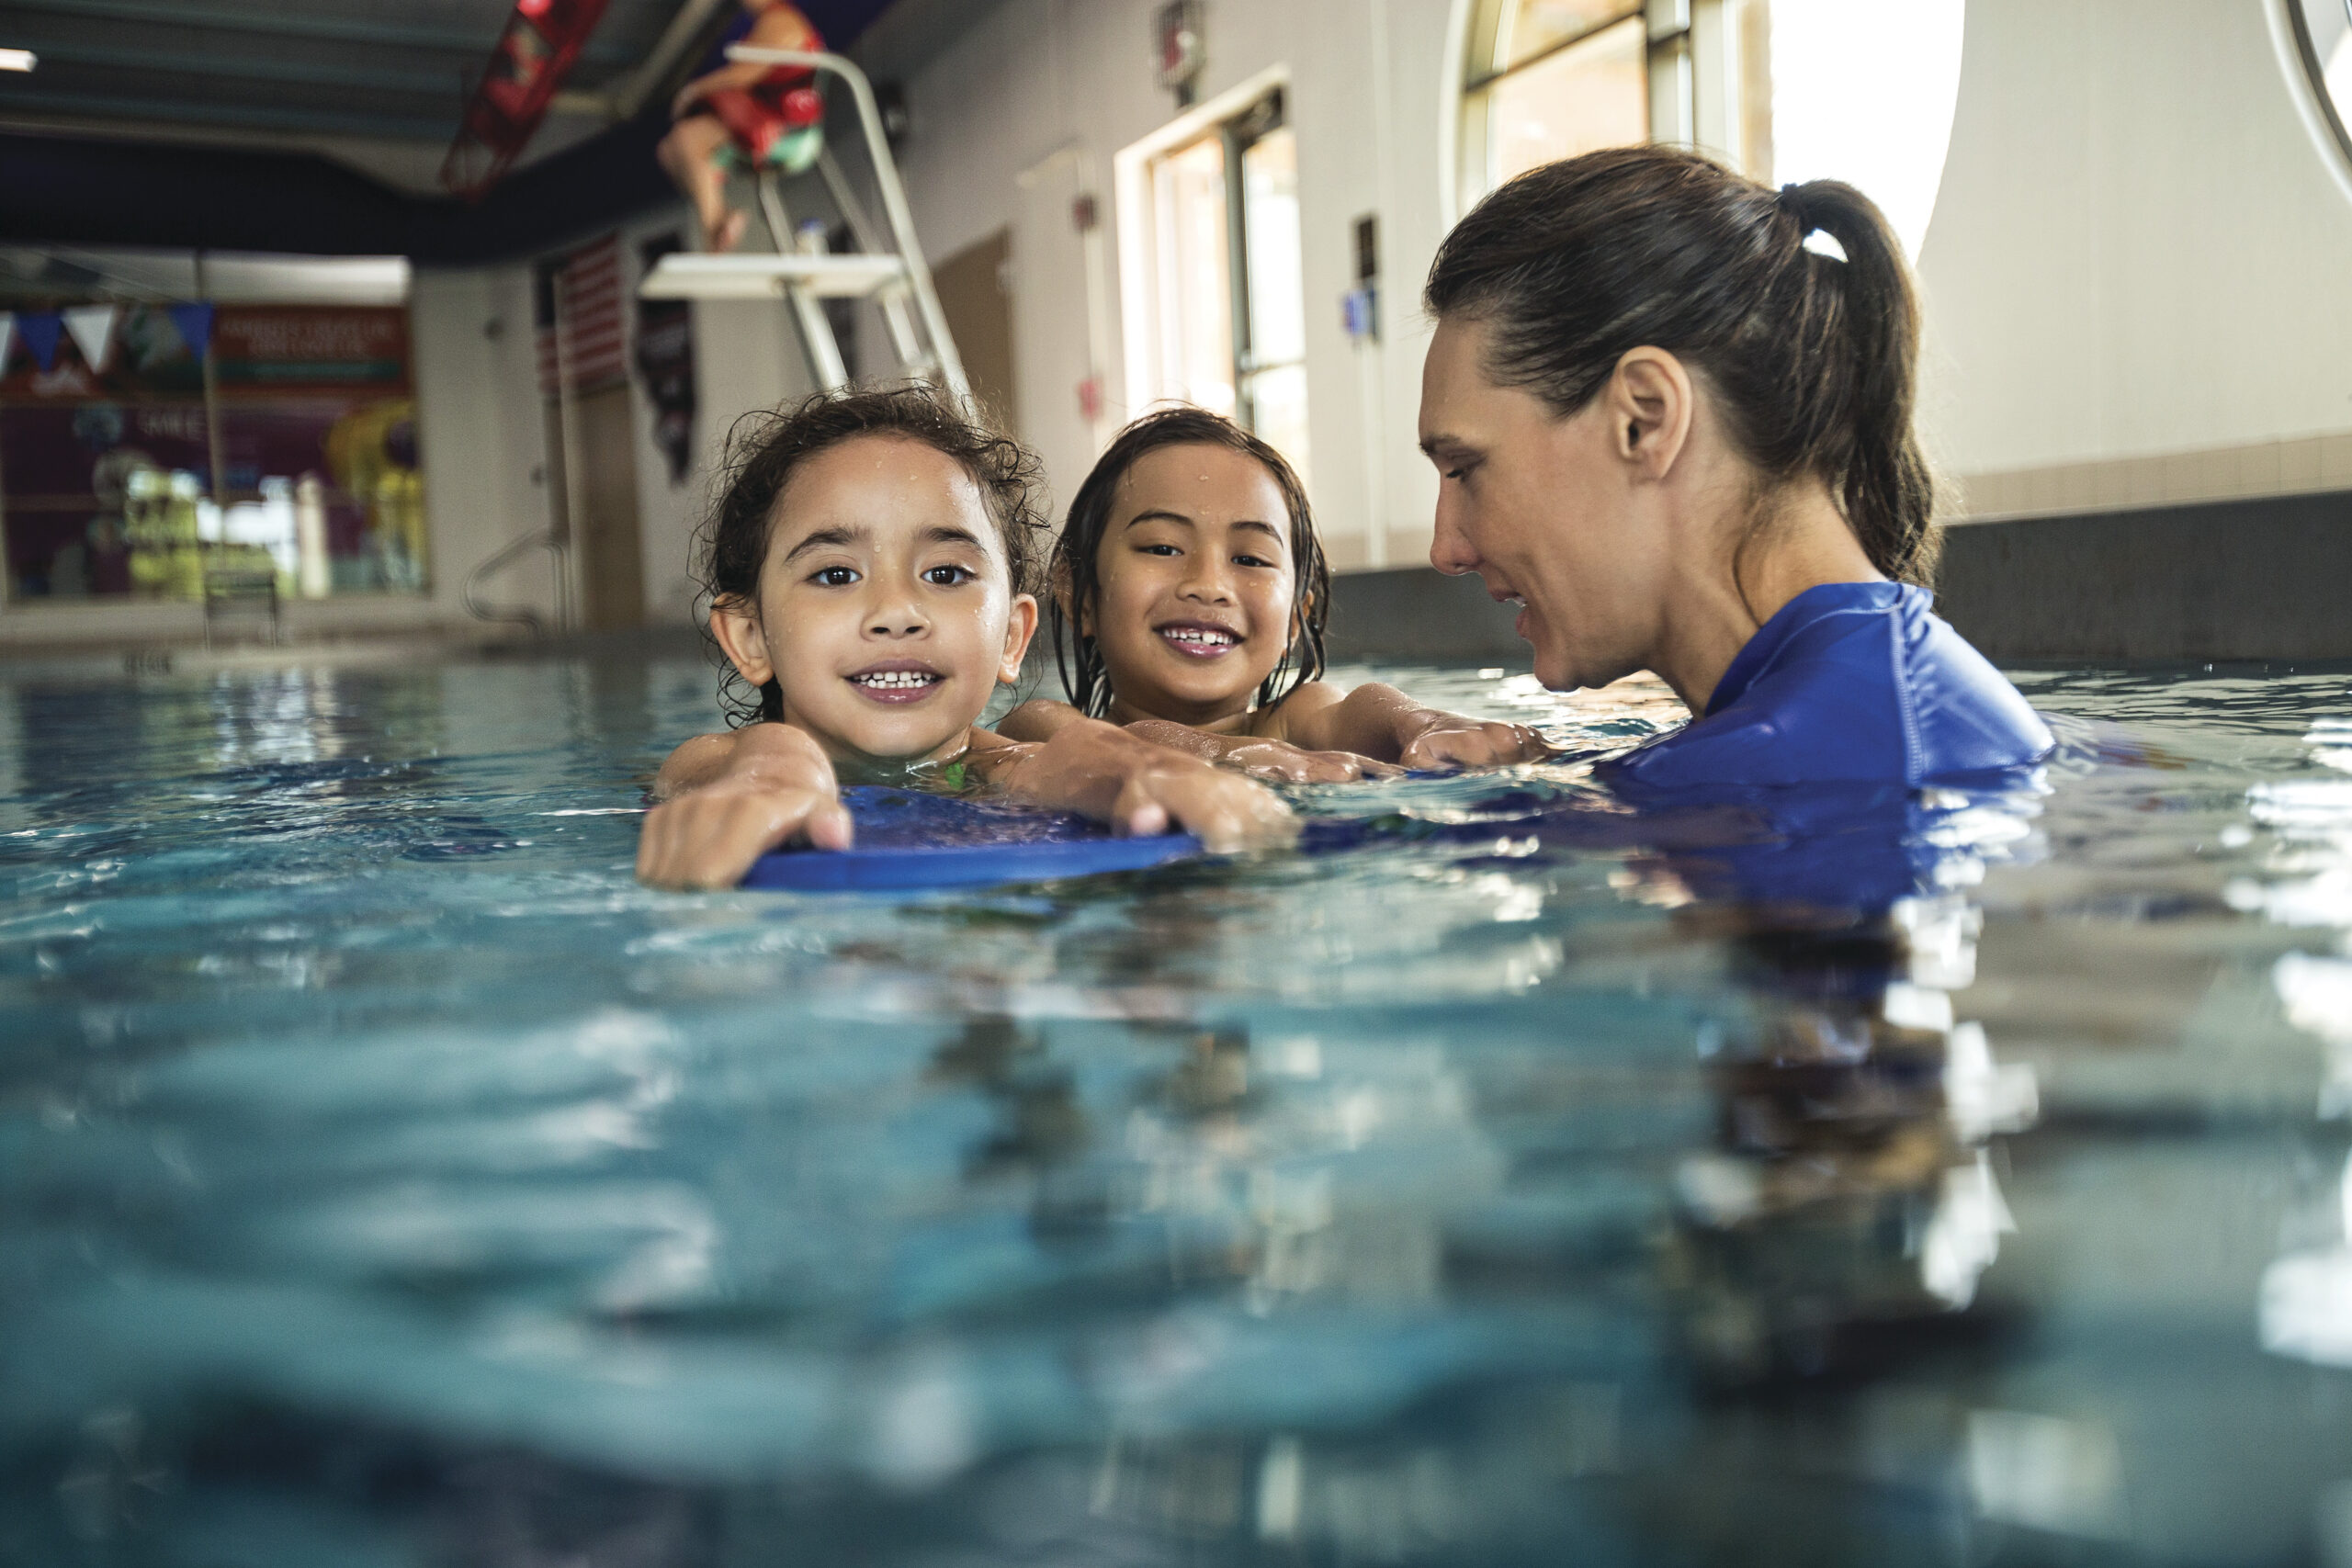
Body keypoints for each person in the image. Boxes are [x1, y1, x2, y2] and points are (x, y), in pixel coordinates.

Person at [1418, 146, 2051, 791]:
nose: (1447, 549)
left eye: (1465, 469)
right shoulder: (1869, 710)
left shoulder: (1786, 779)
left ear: (1646, 417)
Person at [635, 386, 1296, 891]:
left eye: (946, 573)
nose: (897, 611)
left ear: (1013, 635)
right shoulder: (721, 763)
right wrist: (779, 767)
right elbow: (727, 769)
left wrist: (1138, 772)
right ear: (749, 635)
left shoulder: (1006, 766)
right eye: (836, 574)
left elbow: (1064, 763)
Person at [998, 407, 1550, 782]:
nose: (1209, 586)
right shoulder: (1043, 727)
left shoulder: (1296, 723)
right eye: (1163, 548)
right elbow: (1107, 750)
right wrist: (1231, 755)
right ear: (1077, 595)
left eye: (1250, 559)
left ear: (1295, 617)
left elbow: (1362, 710)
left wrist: (1423, 725)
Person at [655, 0, 828, 255]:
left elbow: (743, 75)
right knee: (668, 152)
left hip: (788, 130)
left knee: (686, 139)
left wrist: (692, 92)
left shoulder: (781, 22)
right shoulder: (768, 21)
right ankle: (721, 217)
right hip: (766, 118)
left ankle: (713, 238)